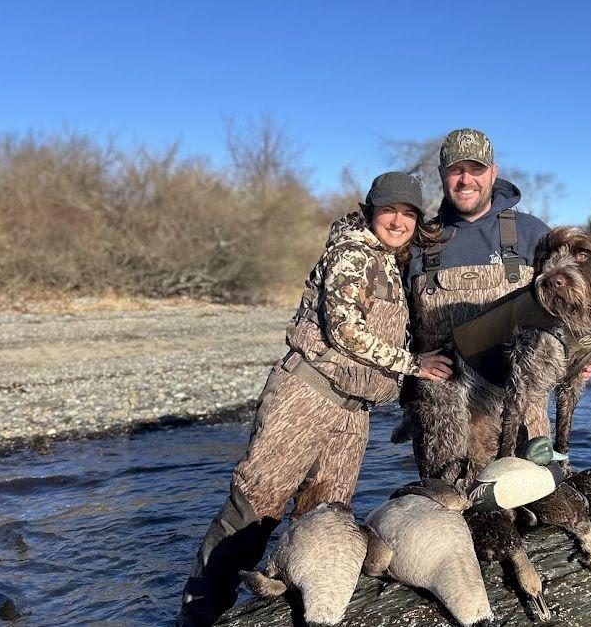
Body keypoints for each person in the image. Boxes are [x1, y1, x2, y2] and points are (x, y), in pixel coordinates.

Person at [177, 172, 453, 626]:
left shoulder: (391, 262)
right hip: (306, 397)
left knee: (321, 521)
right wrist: (413, 364)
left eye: (408, 214)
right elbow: (345, 331)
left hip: (352, 413)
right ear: (371, 212)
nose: (398, 221)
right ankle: (198, 616)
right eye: (389, 211)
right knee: (255, 509)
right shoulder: (352, 253)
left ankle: (289, 614)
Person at [399, 129, 591, 473]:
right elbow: (394, 326)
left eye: (476, 169)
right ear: (442, 175)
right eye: (456, 170)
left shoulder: (534, 234)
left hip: (524, 420)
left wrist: (584, 355)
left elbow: (580, 302)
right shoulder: (418, 243)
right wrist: (414, 363)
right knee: (444, 506)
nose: (466, 180)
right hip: (445, 422)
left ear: (493, 173)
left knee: (532, 503)